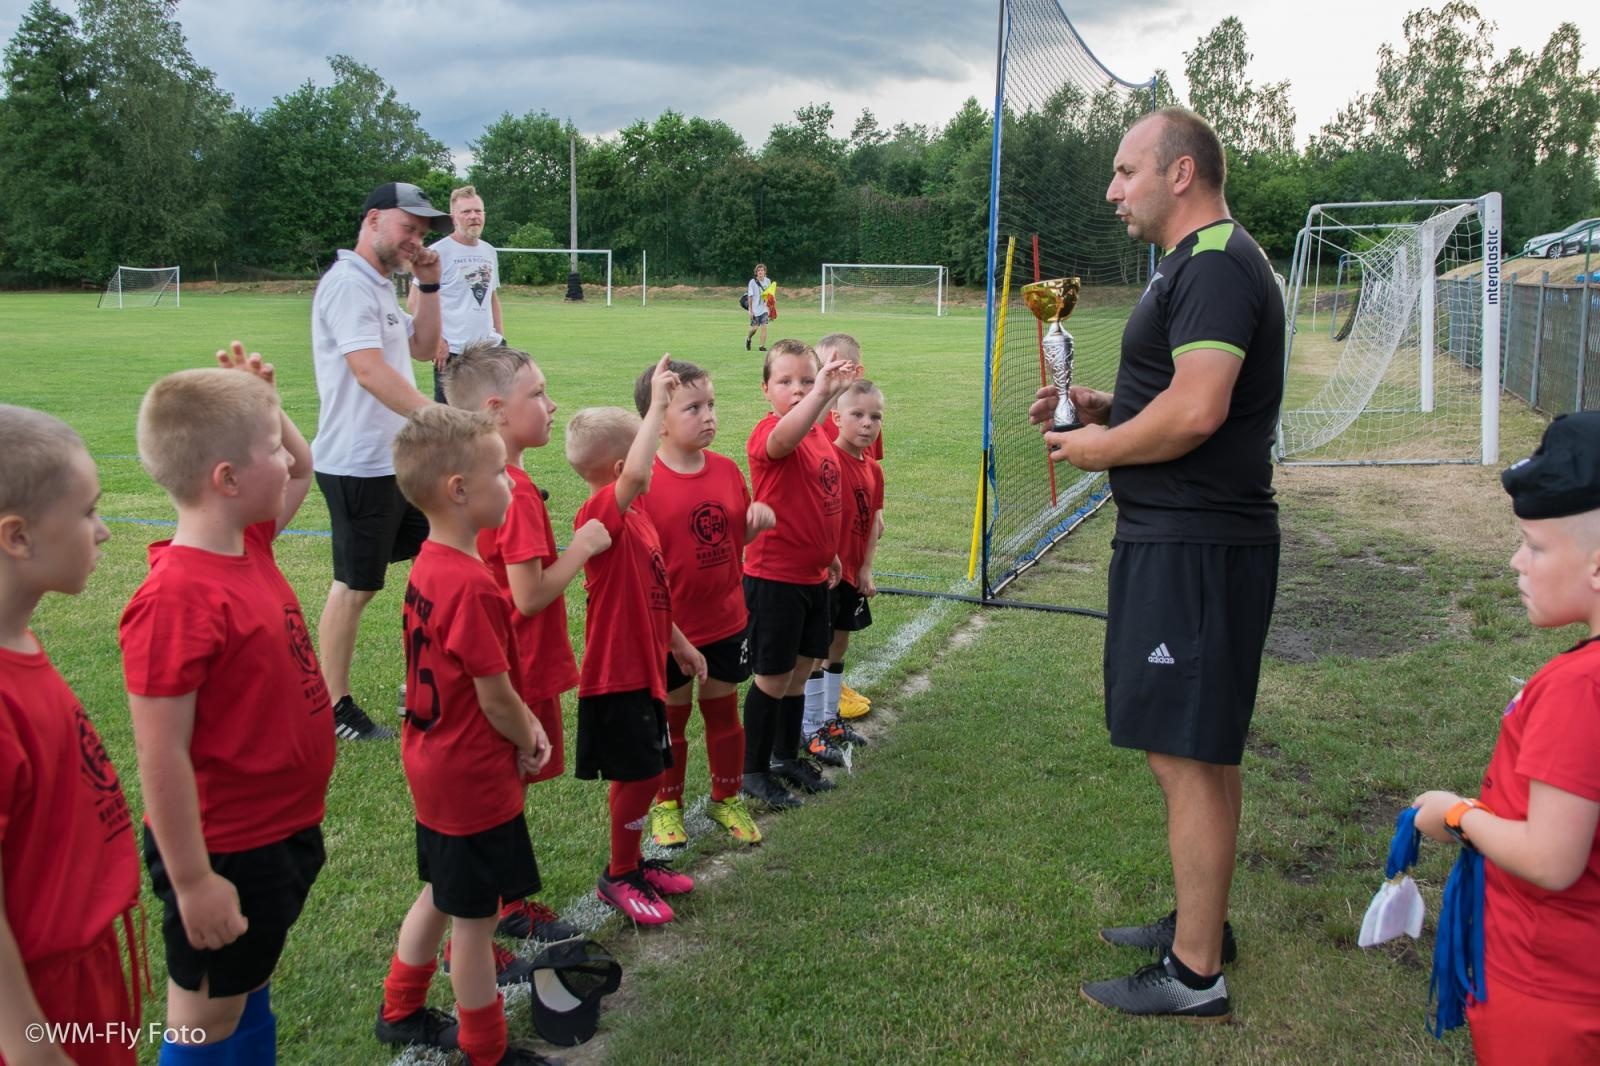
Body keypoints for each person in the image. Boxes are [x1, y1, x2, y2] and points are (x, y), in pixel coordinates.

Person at [1029, 107, 1284, 1021]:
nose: (1112, 190)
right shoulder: (1194, 264)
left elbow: (1199, 412)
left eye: (1125, 170)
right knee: (1200, 748)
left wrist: (1100, 449)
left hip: (1194, 545)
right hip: (1190, 540)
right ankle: (1202, 925)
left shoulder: (1213, 264)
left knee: (1183, 752)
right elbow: (1173, 393)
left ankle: (1194, 974)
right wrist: (1103, 405)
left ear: (1181, 173)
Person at [120, 348, 337, 1060]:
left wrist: (267, 405)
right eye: (269, 446)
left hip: (279, 833)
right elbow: (161, 754)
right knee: (203, 1018)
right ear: (227, 479)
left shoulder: (251, 544)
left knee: (245, 986)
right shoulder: (176, 597)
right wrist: (193, 881)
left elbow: (303, 468)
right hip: (227, 849)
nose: (287, 457)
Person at [1409, 412, 1600, 1065]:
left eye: (1536, 546)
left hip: (1552, 995)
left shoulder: (1579, 689)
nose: (1517, 562)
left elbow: (1551, 858)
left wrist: (1457, 814)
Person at [375, 405, 555, 1066]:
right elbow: (494, 692)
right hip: (471, 775)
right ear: (458, 489)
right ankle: (487, 1049)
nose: (511, 484)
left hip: (433, 766)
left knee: (440, 891)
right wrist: (529, 734)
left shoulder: (429, 562)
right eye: (500, 474)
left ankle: (399, 1009)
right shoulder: (472, 585)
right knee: (475, 926)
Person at [441, 342, 607, 943]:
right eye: (537, 394)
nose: (551, 403)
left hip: (498, 665)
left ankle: (502, 905)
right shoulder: (511, 490)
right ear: (496, 410)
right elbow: (530, 595)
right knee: (501, 796)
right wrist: (584, 546)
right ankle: (494, 914)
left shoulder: (485, 483)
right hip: (512, 669)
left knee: (502, 796)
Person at [0, 406, 140, 1066]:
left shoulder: (20, 638)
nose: (104, 531)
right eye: (87, 512)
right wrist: (29, 1043)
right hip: (40, 1002)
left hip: (85, 970)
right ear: (18, 538)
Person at [310, 181, 453, 741]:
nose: (414, 239)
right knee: (356, 584)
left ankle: (430, 676)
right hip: (357, 463)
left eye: (420, 232)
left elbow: (422, 348)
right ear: (372, 220)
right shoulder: (348, 284)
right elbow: (367, 370)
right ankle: (333, 706)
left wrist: (430, 282)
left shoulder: (379, 285)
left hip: (394, 462)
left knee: (442, 555)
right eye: (407, 228)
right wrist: (438, 418)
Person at [566, 361, 700, 925]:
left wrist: (679, 644)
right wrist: (657, 408)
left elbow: (653, 590)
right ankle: (618, 875)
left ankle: (633, 862)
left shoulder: (637, 517)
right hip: (615, 673)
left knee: (645, 768)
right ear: (622, 468)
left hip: (646, 664)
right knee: (642, 773)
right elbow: (640, 473)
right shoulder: (601, 511)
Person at [630, 358, 774, 848]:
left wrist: (751, 525)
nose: (708, 415)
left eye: (711, 404)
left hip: (726, 619)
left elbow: (731, 541)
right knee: (672, 715)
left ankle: (725, 798)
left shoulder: (728, 470)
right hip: (673, 629)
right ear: (659, 420)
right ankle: (666, 807)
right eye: (693, 408)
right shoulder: (644, 483)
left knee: (722, 712)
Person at [740, 340, 859, 810]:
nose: (798, 389)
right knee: (772, 677)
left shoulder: (819, 435)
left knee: (801, 671)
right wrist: (820, 395)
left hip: (813, 575)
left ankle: (784, 757)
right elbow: (782, 440)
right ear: (765, 389)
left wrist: (829, 554)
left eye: (807, 380)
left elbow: (819, 500)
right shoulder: (770, 432)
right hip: (775, 578)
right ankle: (753, 770)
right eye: (785, 381)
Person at [803, 379, 883, 765]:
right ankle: (810, 727)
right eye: (857, 415)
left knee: (839, 646)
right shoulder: (829, 462)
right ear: (835, 418)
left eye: (875, 417)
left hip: (852, 575)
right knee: (816, 652)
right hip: (827, 575)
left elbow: (874, 525)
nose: (867, 424)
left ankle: (831, 719)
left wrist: (866, 568)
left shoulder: (874, 470)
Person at [818, 333, 880, 722]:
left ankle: (830, 691)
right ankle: (817, 705)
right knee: (816, 636)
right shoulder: (813, 421)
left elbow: (871, 471)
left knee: (840, 633)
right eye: (820, 366)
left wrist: (877, 512)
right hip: (825, 555)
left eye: (836, 365)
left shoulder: (866, 413)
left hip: (854, 546)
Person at [409, 186, 504, 403]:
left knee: (488, 417)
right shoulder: (438, 252)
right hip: (452, 352)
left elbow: (491, 298)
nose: (473, 217)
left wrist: (500, 338)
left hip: (486, 351)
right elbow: (414, 301)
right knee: (449, 423)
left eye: (478, 211)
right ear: (454, 217)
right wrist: (438, 342)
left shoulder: (489, 251)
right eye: (466, 212)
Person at [744, 264, 774, 352]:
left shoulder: (768, 281)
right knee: (754, 328)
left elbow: (770, 295)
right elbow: (750, 296)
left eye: (762, 270)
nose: (760, 272)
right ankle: (748, 338)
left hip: (764, 308)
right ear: (756, 273)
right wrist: (750, 310)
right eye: (759, 270)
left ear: (765, 272)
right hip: (755, 308)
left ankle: (762, 346)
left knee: (764, 326)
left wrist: (771, 308)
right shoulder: (752, 282)